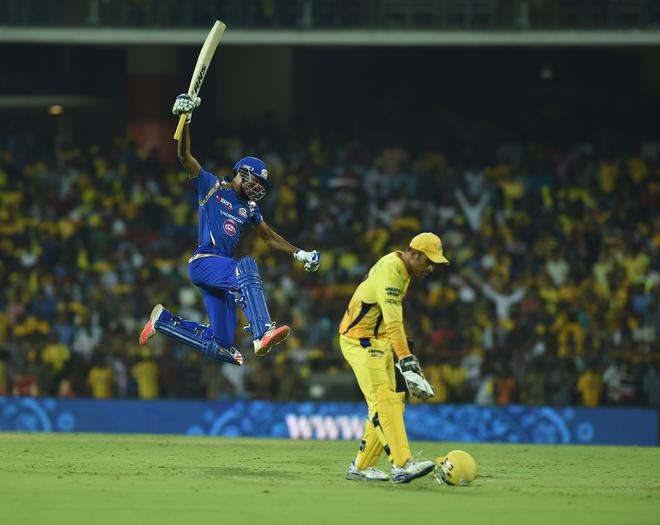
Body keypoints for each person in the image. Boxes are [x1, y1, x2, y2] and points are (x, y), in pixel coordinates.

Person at [139, 94, 320, 366]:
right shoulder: (211, 186)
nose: (257, 189)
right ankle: (261, 332)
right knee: (245, 265)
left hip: (220, 273)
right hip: (204, 262)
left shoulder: (249, 208)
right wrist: (184, 120)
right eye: (255, 181)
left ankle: (163, 322)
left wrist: (299, 254)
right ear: (241, 172)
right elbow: (183, 155)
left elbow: (269, 236)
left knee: (222, 342)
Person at [339, 232, 448, 483]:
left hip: (378, 340)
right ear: (413, 254)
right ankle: (402, 465)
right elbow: (394, 322)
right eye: (428, 261)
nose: (431, 268)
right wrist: (407, 360)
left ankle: (362, 467)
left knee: (392, 402)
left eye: (435, 264)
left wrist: (404, 358)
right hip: (361, 340)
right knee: (384, 402)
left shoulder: (402, 268)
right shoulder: (392, 273)